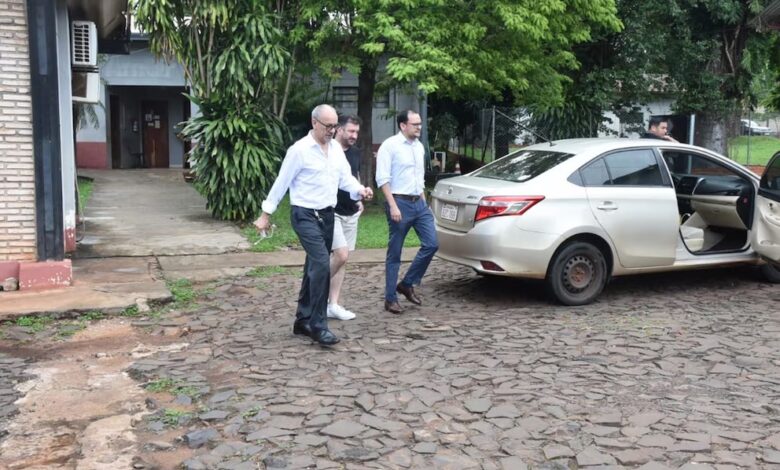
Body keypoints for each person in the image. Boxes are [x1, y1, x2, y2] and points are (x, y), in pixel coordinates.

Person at [254, 104, 373, 346]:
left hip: (328, 215)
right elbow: (281, 182)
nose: (332, 131)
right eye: (328, 126)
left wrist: (360, 190)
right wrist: (266, 213)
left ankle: (302, 320)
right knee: (320, 264)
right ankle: (319, 325)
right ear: (314, 123)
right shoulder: (299, 150)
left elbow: (345, 178)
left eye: (334, 126)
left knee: (313, 268)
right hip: (305, 215)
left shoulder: (336, 151)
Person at [376, 109, 439, 314]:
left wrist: (424, 202)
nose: (419, 127)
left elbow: (418, 178)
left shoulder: (419, 147)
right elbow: (382, 179)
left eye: (420, 123)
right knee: (395, 252)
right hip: (399, 202)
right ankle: (390, 298)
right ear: (403, 125)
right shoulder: (390, 146)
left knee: (432, 244)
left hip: (418, 203)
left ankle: (407, 283)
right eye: (415, 124)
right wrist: (393, 205)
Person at [327, 114, 363, 321]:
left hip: (352, 212)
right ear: (339, 129)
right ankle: (314, 292)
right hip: (331, 211)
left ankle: (333, 304)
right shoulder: (328, 150)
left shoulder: (356, 152)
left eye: (356, 132)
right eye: (350, 131)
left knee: (343, 260)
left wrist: (359, 198)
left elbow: (353, 177)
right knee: (339, 255)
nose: (354, 135)